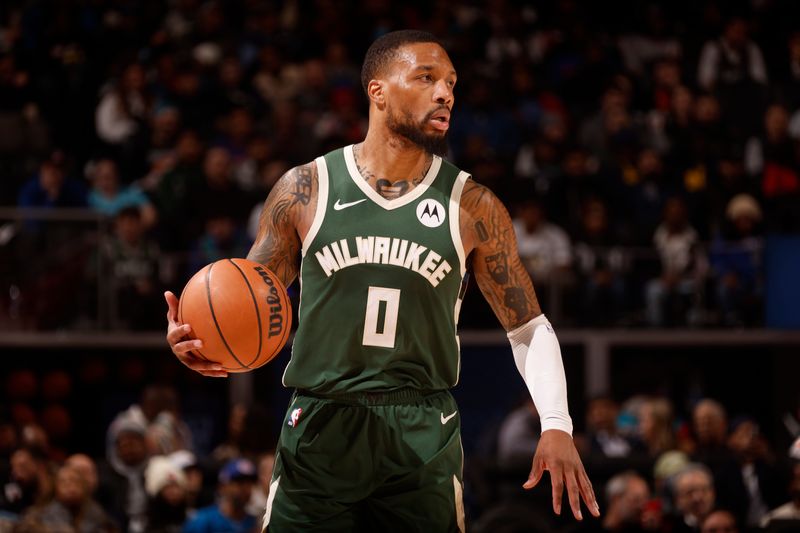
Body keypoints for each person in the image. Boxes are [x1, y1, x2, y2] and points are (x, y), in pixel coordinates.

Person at [166, 30, 599, 531]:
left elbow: (527, 326)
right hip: (321, 422)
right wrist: (199, 339)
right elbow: (249, 299)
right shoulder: (305, 189)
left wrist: (556, 423)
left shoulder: (473, 205)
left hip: (420, 427)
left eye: (451, 83)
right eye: (426, 78)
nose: (446, 93)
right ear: (378, 91)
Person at [182, 458, 258, 533]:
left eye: (250, 483)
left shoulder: (253, 523)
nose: (246, 488)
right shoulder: (202, 521)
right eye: (240, 483)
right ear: (223, 486)